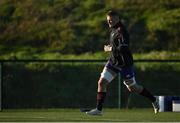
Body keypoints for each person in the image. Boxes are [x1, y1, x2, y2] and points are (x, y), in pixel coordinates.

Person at [86, 10, 159, 115]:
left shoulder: (122, 31)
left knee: (133, 88)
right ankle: (99, 109)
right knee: (102, 82)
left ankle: (153, 99)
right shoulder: (113, 30)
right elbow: (117, 47)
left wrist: (110, 49)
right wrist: (112, 49)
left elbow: (124, 48)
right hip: (113, 62)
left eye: (111, 20)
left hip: (125, 63)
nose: (109, 22)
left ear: (117, 19)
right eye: (108, 20)